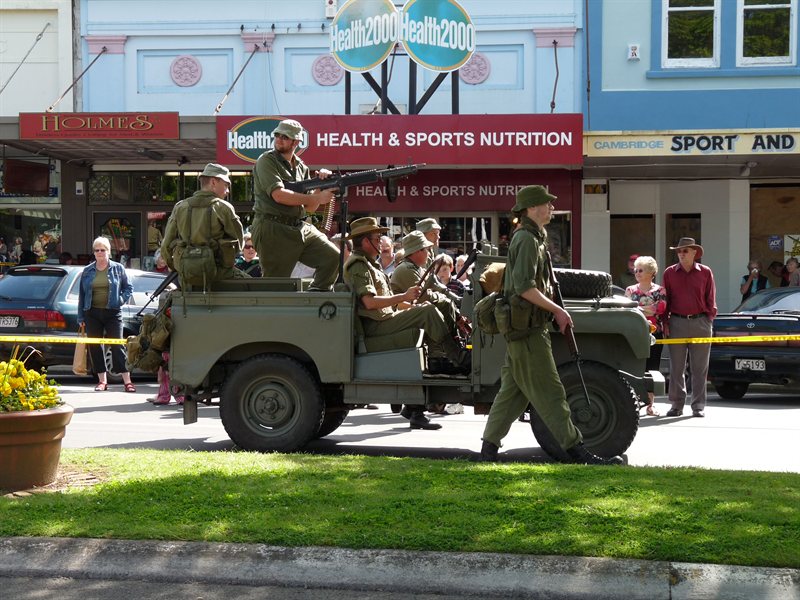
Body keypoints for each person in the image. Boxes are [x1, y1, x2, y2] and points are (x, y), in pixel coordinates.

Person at [479, 186, 623, 465]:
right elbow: (523, 287)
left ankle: (487, 452)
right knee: (552, 393)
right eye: (547, 204)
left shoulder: (531, 238)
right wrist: (557, 310)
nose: (552, 208)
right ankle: (578, 452)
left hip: (525, 330)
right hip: (528, 333)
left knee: (512, 394)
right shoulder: (527, 240)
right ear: (533, 208)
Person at [344, 217, 469, 430]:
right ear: (365, 242)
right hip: (375, 327)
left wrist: (407, 303)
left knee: (424, 314)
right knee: (428, 312)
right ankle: (458, 357)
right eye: (377, 238)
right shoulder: (358, 265)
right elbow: (369, 302)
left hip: (385, 319)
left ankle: (415, 407)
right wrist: (404, 296)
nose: (382, 241)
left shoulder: (370, 265)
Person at [251, 119, 339, 291]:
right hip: (273, 227)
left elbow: (310, 208)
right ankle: (273, 317)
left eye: (285, 137)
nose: (279, 139)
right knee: (276, 286)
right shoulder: (267, 161)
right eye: (277, 135)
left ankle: (316, 297)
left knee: (332, 257)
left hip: (298, 227)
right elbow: (279, 195)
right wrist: (317, 198)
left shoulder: (301, 167)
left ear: (296, 142)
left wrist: (320, 184)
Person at [160, 163, 244, 287]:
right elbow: (239, 243)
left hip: (187, 278)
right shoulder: (223, 208)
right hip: (219, 276)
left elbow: (166, 246)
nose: (227, 191)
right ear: (213, 182)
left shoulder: (180, 207)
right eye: (226, 185)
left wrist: (181, 268)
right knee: (253, 285)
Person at [391, 232, 463, 374]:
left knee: (443, 304)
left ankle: (449, 353)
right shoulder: (406, 269)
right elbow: (424, 297)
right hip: (401, 312)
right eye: (426, 249)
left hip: (411, 309)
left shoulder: (416, 268)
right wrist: (445, 298)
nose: (429, 253)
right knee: (436, 307)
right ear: (416, 251)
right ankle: (443, 356)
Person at [662, 237, 717, 418]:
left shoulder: (705, 272)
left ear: (694, 253)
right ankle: (676, 405)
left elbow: (711, 298)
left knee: (700, 368)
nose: (682, 254)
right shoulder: (669, 273)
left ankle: (698, 405)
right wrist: (665, 322)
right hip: (677, 322)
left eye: (685, 251)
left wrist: (709, 318)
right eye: (679, 251)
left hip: (701, 322)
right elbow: (665, 301)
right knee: (676, 368)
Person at [77, 236, 136, 393]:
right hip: (92, 312)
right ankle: (102, 381)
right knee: (95, 346)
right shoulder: (87, 270)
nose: (100, 253)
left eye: (103, 250)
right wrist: (81, 317)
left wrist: (120, 300)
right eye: (97, 250)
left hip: (113, 313)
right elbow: (82, 295)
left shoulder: (118, 268)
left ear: (108, 251)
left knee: (117, 346)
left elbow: (128, 288)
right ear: (94, 252)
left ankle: (127, 381)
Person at [624, 255, 667, 416]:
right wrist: (647, 307)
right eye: (636, 270)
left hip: (656, 334)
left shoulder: (659, 290)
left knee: (652, 368)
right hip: (634, 333)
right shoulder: (630, 290)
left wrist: (639, 308)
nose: (637, 272)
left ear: (651, 272)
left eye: (641, 270)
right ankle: (633, 403)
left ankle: (651, 404)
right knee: (634, 367)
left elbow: (661, 308)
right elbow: (628, 310)